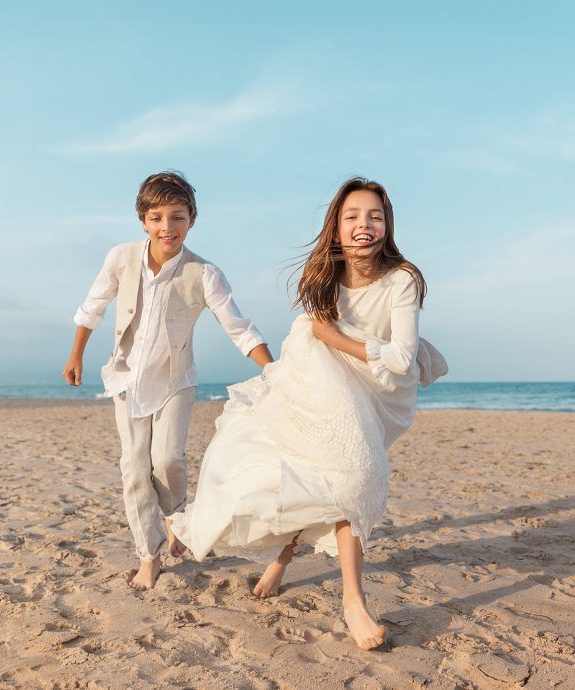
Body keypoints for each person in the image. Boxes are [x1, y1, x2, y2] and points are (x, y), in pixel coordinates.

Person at [170, 177, 447, 650]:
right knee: (338, 473)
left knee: (336, 477)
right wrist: (324, 341)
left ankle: (283, 559)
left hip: (377, 390)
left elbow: (400, 360)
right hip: (320, 378)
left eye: (375, 216)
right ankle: (352, 602)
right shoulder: (324, 276)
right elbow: (313, 335)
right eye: (353, 216)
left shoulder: (402, 279)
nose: (365, 225)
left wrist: (334, 337)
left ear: (388, 224)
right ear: (336, 227)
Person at [62, 171, 273, 590]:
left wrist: (274, 372)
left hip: (176, 382)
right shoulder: (121, 258)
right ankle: (149, 555)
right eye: (157, 217)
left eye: (177, 217)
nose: (167, 227)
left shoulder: (205, 273)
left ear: (191, 219)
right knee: (134, 469)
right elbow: (93, 306)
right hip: (126, 380)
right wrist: (76, 354)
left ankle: (178, 519)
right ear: (143, 221)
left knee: (168, 461)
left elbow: (239, 328)